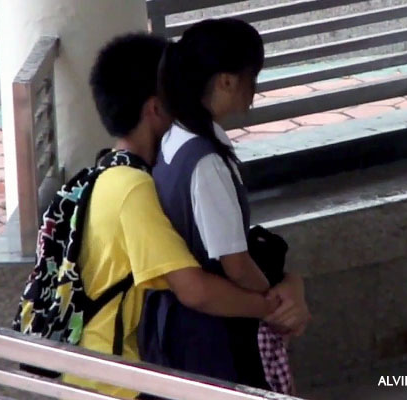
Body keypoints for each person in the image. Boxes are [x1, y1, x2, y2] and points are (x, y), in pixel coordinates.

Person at [62, 33, 283, 399]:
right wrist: (272, 307)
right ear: (156, 108)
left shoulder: (114, 169)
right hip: (113, 379)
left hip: (109, 368)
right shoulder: (134, 189)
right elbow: (194, 289)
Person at [148, 18, 310, 393]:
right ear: (226, 81)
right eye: (252, 76)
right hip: (214, 334)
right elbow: (234, 263)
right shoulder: (207, 162)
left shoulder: (178, 139)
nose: (255, 88)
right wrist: (275, 301)